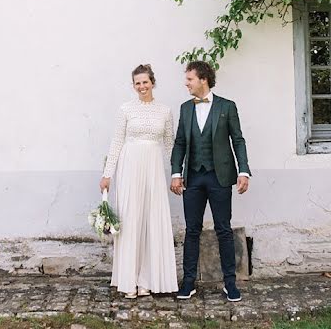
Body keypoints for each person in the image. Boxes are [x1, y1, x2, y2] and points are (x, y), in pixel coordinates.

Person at [170, 60, 251, 302]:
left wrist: (243, 171)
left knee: (223, 229)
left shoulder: (227, 106)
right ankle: (188, 282)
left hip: (220, 176)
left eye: (189, 80)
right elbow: (180, 143)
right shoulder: (185, 109)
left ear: (203, 79)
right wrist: (176, 173)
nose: (186, 84)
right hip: (193, 177)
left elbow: (238, 140)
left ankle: (230, 283)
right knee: (192, 230)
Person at [100, 64, 178, 298]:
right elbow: (116, 142)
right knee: (131, 219)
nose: (142, 86)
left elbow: (170, 145)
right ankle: (128, 280)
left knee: (151, 220)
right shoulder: (125, 109)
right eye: (137, 83)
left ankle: (147, 279)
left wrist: (177, 173)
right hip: (129, 167)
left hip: (153, 168)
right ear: (133, 86)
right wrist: (107, 174)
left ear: (152, 82)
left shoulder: (165, 111)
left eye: (145, 82)